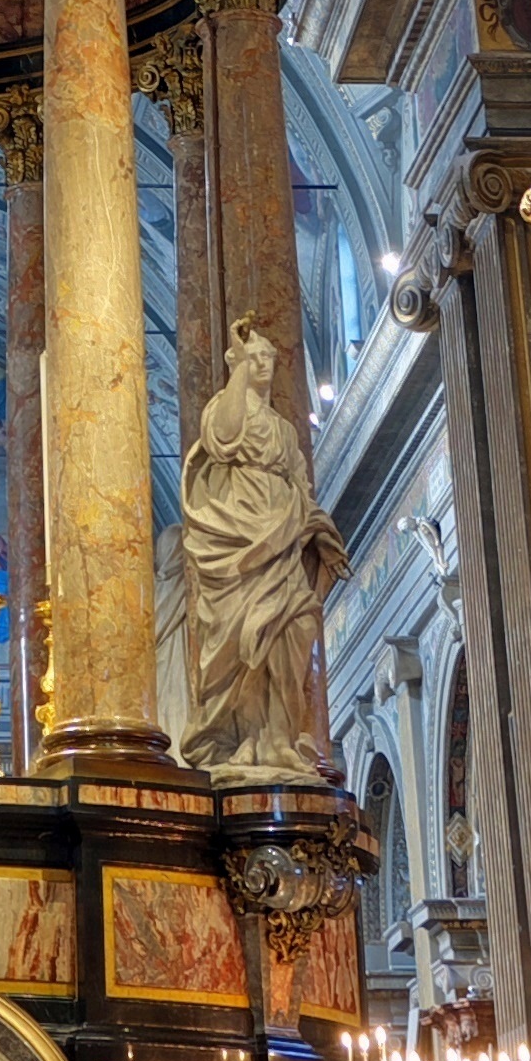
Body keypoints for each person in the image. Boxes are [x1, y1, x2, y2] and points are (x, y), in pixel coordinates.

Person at [176, 317, 343, 782]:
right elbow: (224, 437)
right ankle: (245, 739)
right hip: (239, 544)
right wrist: (236, 364)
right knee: (245, 636)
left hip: (285, 541)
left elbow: (301, 488)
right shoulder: (226, 411)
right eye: (256, 359)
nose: (264, 365)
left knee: (294, 628)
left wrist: (318, 530)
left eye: (269, 358)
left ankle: (279, 738)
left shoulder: (284, 431)